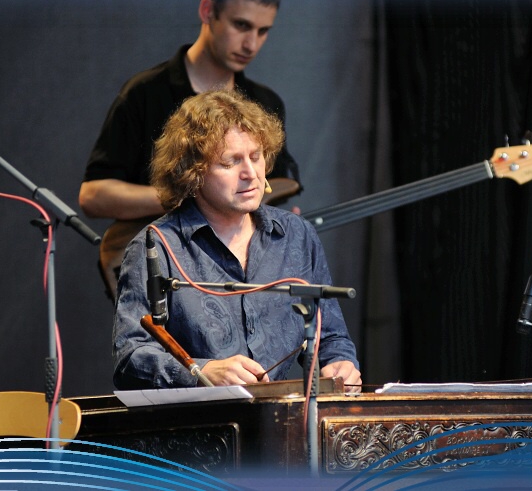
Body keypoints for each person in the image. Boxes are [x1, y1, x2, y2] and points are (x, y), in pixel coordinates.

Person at [112, 90, 361, 391]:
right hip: (200, 419)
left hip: (280, 415)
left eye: (256, 157)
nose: (250, 173)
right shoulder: (156, 246)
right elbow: (131, 357)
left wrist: (339, 364)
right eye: (230, 163)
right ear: (193, 173)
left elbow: (330, 336)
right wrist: (202, 371)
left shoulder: (296, 235)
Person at [79, 0, 300, 222]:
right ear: (207, 11)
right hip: (161, 243)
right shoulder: (145, 93)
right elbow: (92, 196)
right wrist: (195, 193)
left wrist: (281, 225)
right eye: (241, 25)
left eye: (262, 31)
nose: (251, 44)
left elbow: (270, 192)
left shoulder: (264, 104)